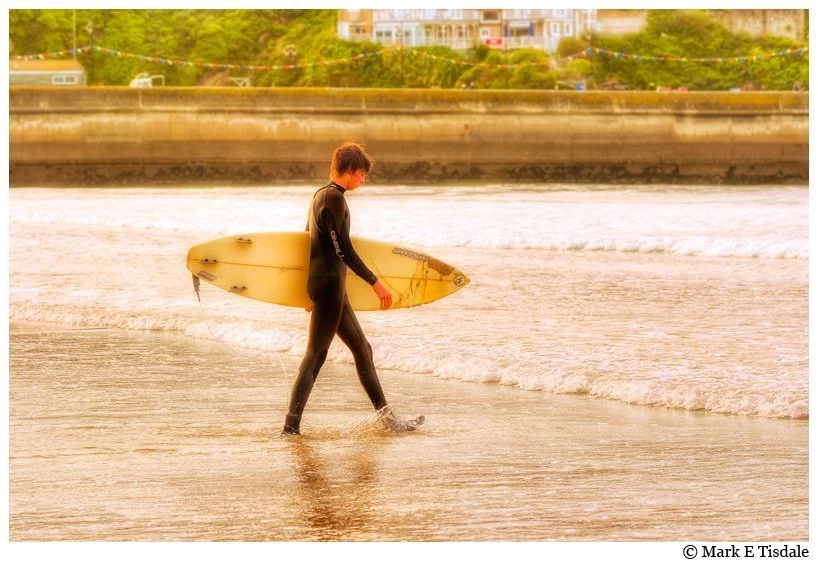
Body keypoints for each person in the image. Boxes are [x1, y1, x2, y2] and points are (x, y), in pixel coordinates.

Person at [283, 142, 421, 435]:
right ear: (350, 170)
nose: (363, 180)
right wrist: (375, 282)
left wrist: (308, 292)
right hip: (331, 287)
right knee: (315, 356)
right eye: (362, 174)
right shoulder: (334, 198)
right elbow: (342, 248)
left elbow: (307, 241)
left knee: (363, 349)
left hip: (329, 288)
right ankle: (290, 427)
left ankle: (389, 420)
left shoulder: (318, 195)